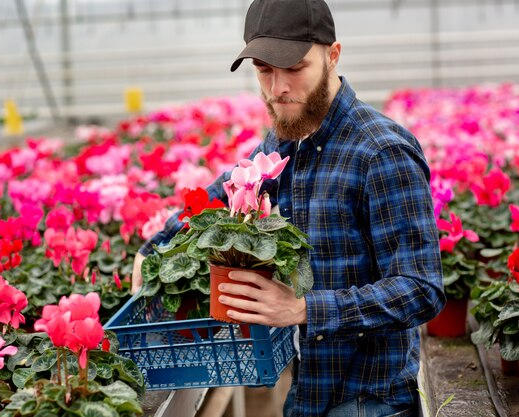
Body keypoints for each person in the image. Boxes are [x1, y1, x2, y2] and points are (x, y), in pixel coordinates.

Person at [132, 0, 445, 415]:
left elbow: (421, 288)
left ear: (332, 55)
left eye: (295, 68)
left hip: (370, 400)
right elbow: (218, 195)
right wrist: (152, 249)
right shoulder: (284, 142)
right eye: (264, 69)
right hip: (306, 393)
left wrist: (301, 308)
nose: (278, 87)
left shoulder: (381, 152)